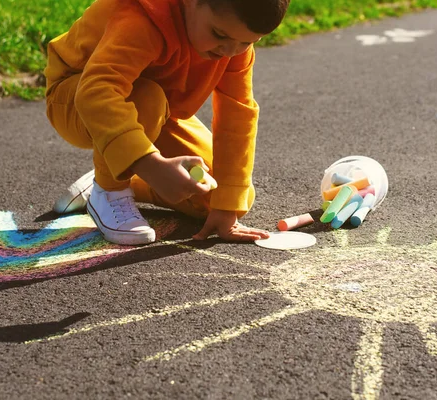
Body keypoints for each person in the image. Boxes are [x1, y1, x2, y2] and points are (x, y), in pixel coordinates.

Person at [44, 0, 290, 245]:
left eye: (247, 42)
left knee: (222, 193)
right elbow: (97, 90)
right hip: (76, 97)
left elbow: (237, 113)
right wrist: (150, 164)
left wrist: (227, 208)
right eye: (218, 34)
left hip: (157, 112)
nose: (230, 50)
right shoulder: (144, 17)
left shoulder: (232, 41)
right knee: (147, 98)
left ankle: (118, 171)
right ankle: (110, 190)